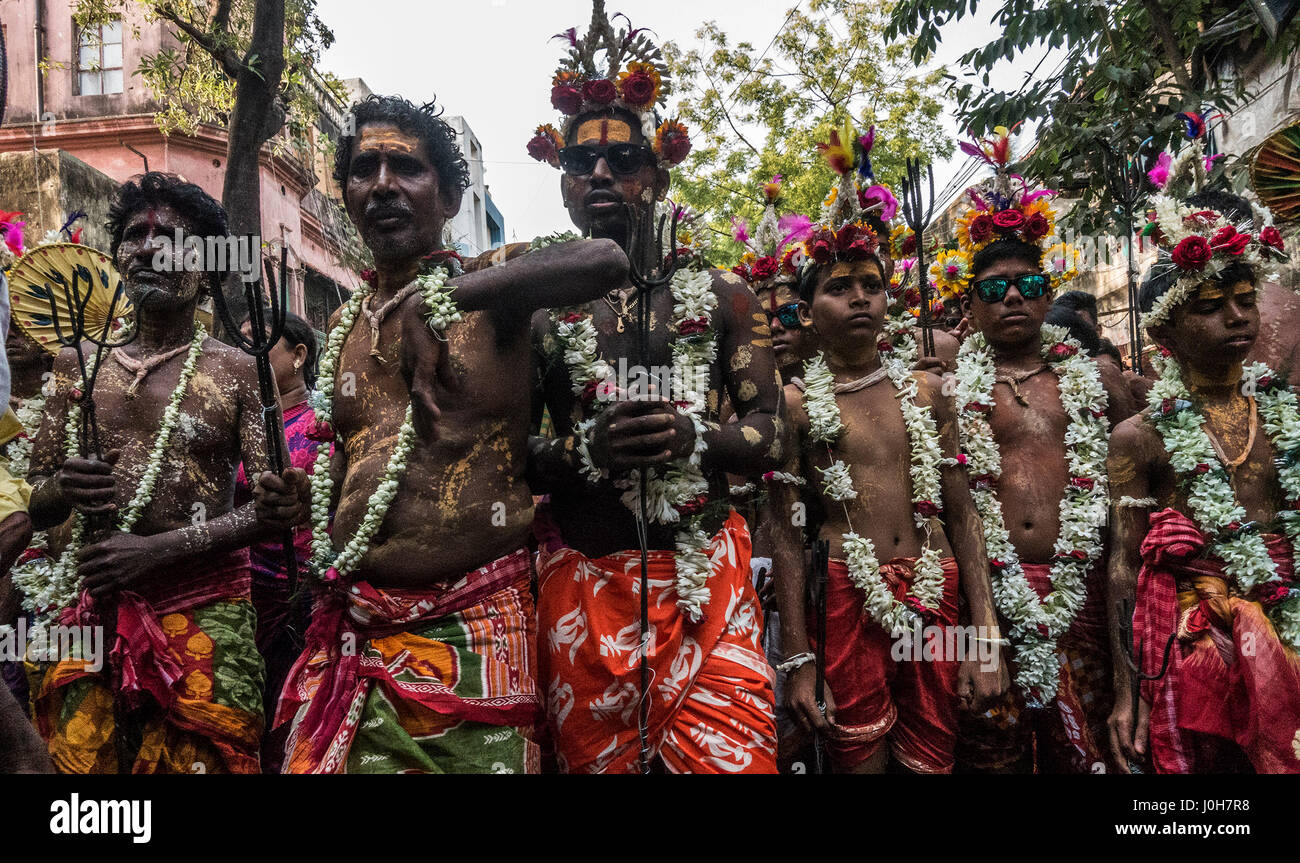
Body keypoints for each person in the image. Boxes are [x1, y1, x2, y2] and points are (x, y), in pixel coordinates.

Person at [257, 94, 628, 774]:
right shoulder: (347, 324)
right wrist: (304, 496)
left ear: (453, 194)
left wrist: (447, 299)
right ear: (344, 193)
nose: (382, 184)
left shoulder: (492, 285)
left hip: (473, 628)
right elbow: (363, 462)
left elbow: (604, 259)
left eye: (407, 167)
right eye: (364, 168)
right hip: (351, 635)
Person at [526, 4, 783, 773]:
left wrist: (697, 438)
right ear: (565, 185)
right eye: (581, 166)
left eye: (623, 160)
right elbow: (507, 451)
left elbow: (774, 429)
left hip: (708, 583)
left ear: (658, 173)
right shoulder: (537, 310)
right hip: (585, 589)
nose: (601, 175)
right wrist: (582, 448)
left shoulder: (727, 295)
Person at [24, 173, 290, 773]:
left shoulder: (240, 370)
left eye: (169, 238)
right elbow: (34, 506)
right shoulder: (76, 365)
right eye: (134, 237)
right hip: (86, 614)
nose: (147, 249)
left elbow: (276, 509)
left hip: (203, 613)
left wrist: (157, 552)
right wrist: (62, 487)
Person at [765, 173, 1007, 773]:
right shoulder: (791, 405)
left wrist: (987, 636)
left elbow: (964, 509)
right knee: (858, 758)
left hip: (937, 587)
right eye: (839, 287)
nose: (859, 298)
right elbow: (788, 536)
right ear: (806, 310)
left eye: (871, 285)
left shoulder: (928, 391)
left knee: (933, 758)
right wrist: (798, 660)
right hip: (847, 594)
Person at [942, 131, 1136, 773]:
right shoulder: (951, 394)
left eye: (1027, 284)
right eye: (994, 290)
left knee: (1094, 756)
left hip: (1085, 596)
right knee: (994, 756)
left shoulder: (1096, 381)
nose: (1014, 298)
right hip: (996, 592)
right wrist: (984, 626)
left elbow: (1137, 498)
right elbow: (958, 508)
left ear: (1048, 295)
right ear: (970, 308)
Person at [1107, 190, 1299, 774]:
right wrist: (1126, 691)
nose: (1237, 316)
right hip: (1196, 644)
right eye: (1212, 305)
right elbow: (1122, 562)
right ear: (1167, 331)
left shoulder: (1289, 414)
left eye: (1245, 300)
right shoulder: (1139, 436)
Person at [231, 309, 319, 769]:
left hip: (295, 597)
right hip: (238, 597)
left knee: (286, 717)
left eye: (260, 341)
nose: (248, 351)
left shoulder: (322, 426)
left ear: (299, 355)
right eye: (240, 341)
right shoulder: (238, 418)